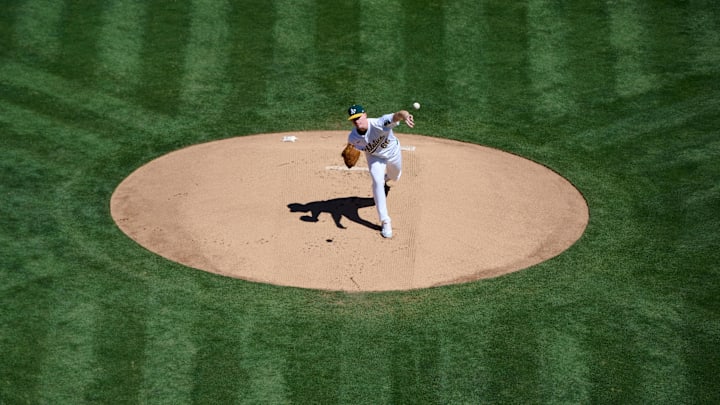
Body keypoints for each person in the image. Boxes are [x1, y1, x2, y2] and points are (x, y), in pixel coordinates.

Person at [345, 104, 415, 238]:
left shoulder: (379, 123)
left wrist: (405, 116)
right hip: (375, 158)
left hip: (392, 152)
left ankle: (387, 177)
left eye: (359, 117)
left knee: (395, 176)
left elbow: (397, 115)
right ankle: (385, 220)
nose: (357, 121)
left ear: (365, 115)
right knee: (377, 181)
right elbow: (351, 148)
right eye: (354, 119)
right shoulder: (353, 137)